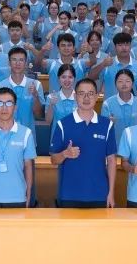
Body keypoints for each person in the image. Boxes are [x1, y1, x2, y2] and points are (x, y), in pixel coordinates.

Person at [50, 78, 117, 208]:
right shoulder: (63, 124)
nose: (86, 98)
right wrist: (65, 154)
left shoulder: (107, 125)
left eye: (90, 93)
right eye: (82, 93)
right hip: (69, 195)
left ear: (97, 96)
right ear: (75, 96)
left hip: (99, 194)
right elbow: (53, 160)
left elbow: (111, 161)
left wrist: (111, 193)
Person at [0, 47, 44, 129]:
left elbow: (38, 115)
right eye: (14, 60)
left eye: (21, 60)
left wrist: (35, 96)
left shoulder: (36, 85)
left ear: (26, 63)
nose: (17, 63)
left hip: (28, 134)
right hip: (5, 134)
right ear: (9, 62)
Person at [101, 68, 137, 143]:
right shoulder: (107, 104)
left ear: (132, 83)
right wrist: (108, 124)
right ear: (115, 84)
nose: (124, 84)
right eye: (120, 81)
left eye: (127, 81)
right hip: (115, 145)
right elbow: (102, 129)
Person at [45, 63, 78, 128]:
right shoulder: (51, 97)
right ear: (58, 79)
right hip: (57, 133)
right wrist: (51, 105)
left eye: (70, 77)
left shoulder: (80, 97)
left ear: (74, 79)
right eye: (63, 77)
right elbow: (48, 122)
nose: (67, 80)